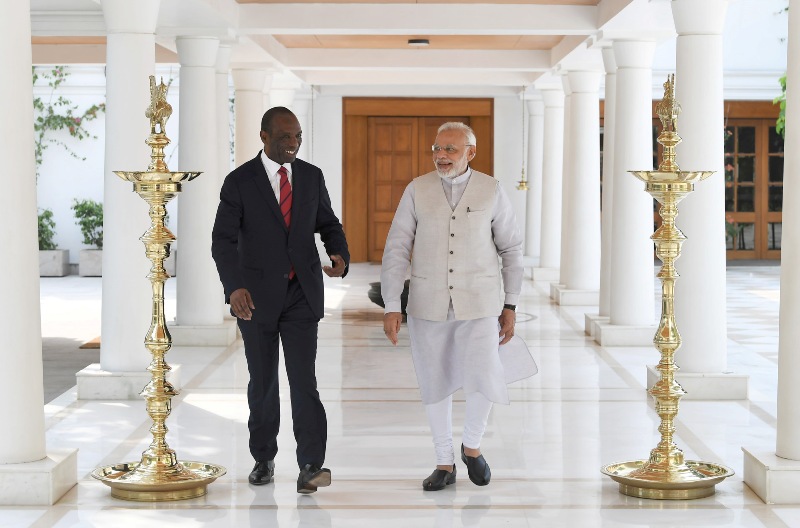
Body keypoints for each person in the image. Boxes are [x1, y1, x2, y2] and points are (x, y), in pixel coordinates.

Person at [380, 121, 536, 491]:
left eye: (450, 149)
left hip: (480, 302)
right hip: (426, 302)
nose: (441, 155)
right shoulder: (416, 190)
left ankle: (472, 445)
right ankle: (443, 461)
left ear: (471, 152)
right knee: (433, 378)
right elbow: (397, 247)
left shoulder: (491, 189)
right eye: (437, 148)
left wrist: (510, 303)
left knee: (483, 376)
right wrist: (391, 304)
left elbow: (511, 249)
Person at [212, 106, 349, 494]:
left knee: (304, 380)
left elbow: (328, 223)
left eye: (298, 136)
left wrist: (340, 253)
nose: (293, 143)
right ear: (264, 136)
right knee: (264, 381)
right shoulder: (239, 182)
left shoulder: (311, 176)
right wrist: (234, 287)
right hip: (253, 299)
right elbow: (221, 240)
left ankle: (310, 464)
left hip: (301, 293)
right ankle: (263, 458)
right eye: (285, 136)